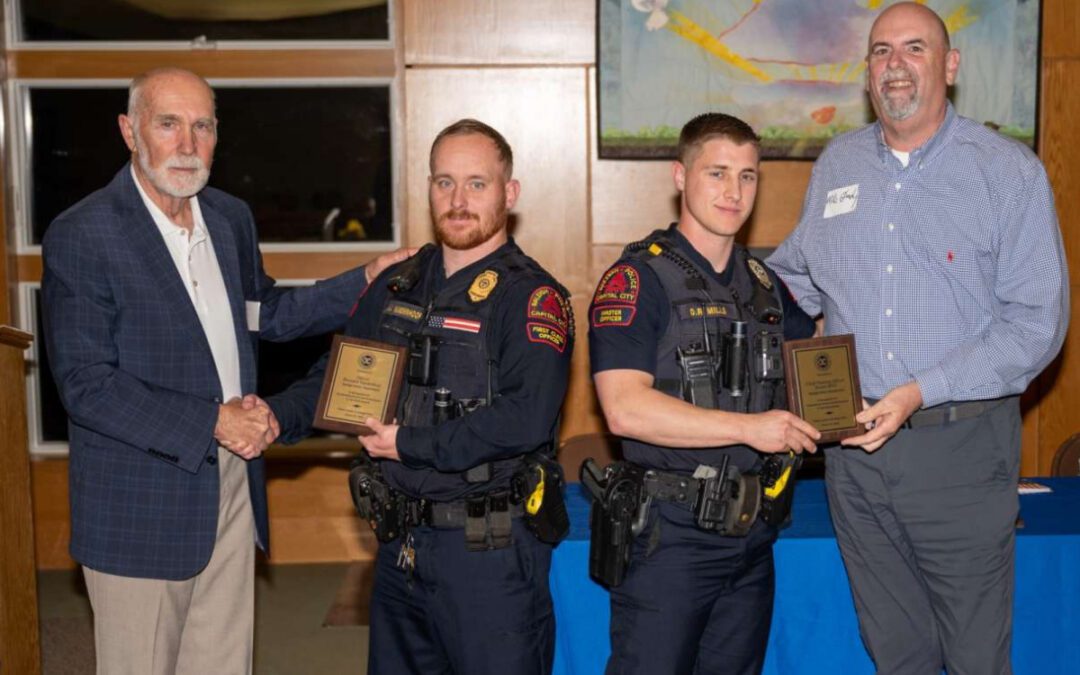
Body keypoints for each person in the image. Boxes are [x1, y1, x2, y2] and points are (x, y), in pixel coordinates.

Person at [41, 67, 411, 674]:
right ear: (129, 131)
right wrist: (214, 421)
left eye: (203, 126)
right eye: (168, 124)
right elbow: (88, 385)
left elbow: (264, 313)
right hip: (140, 505)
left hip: (233, 486)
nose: (188, 144)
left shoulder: (228, 217)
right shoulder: (85, 233)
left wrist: (364, 280)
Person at [767, 3, 1069, 673]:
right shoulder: (838, 165)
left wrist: (917, 390)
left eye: (914, 48)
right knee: (896, 654)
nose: (894, 64)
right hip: (853, 460)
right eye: (880, 51)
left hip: (959, 451)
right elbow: (795, 282)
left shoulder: (1007, 172)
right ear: (867, 71)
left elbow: (1035, 324)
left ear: (950, 65)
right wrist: (705, 276)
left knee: (973, 658)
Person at [268, 119, 574, 675]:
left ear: (509, 193)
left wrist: (409, 444)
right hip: (399, 547)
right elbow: (338, 379)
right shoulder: (398, 284)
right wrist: (272, 415)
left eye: (477, 184)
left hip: (488, 557)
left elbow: (524, 417)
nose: (458, 201)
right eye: (444, 182)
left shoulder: (531, 298)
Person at [587, 112, 820, 675]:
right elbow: (624, 409)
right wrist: (751, 429)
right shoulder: (637, 280)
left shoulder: (763, 284)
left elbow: (814, 366)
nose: (734, 191)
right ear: (680, 176)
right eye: (717, 173)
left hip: (752, 532)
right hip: (670, 536)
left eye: (747, 175)